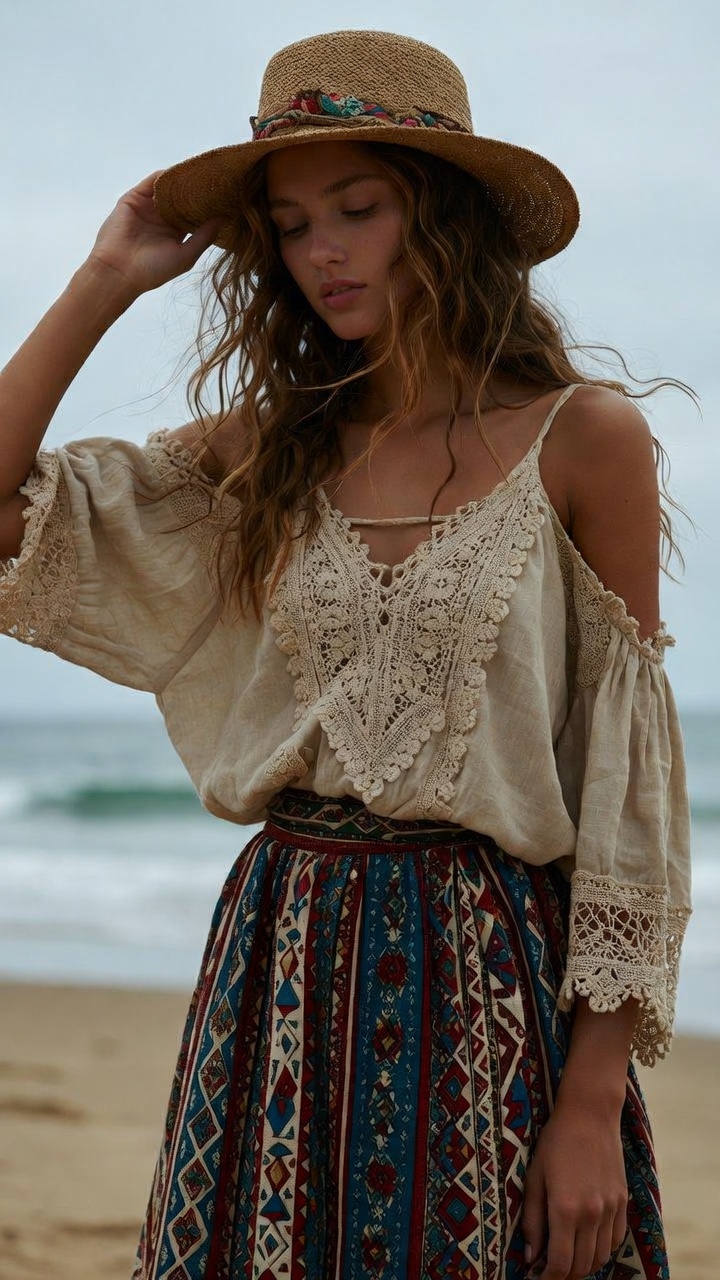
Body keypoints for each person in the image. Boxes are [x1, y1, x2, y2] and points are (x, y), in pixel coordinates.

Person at [0, 27, 691, 1280]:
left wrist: (592, 1101)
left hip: (490, 968)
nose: (322, 250)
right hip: (280, 949)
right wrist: (104, 278)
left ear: (444, 216)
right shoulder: (270, 447)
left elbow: (624, 792)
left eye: (359, 208)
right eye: (292, 221)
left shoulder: (586, 440)